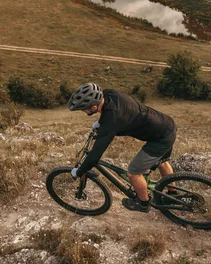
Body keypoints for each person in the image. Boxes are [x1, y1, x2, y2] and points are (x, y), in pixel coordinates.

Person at [68, 83, 177, 213]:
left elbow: (95, 154)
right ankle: (172, 194)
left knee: (133, 172)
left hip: (160, 139)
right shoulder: (109, 93)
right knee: (162, 162)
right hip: (166, 125)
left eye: (83, 109)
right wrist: (100, 123)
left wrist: (79, 171)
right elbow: (112, 112)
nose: (83, 111)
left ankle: (143, 203)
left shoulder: (111, 120)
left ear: (93, 106)